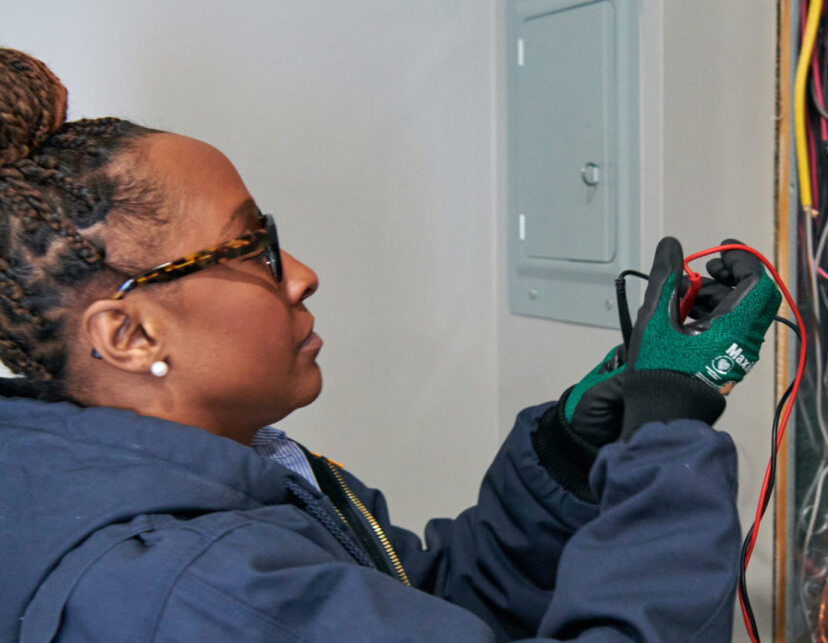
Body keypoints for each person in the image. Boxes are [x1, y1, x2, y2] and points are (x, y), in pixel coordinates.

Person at [0, 47, 781, 642]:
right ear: (130, 333)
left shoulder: (211, 485)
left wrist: (574, 448)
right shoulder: (202, 592)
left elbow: (423, 605)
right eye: (251, 250)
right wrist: (668, 441)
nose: (301, 276)